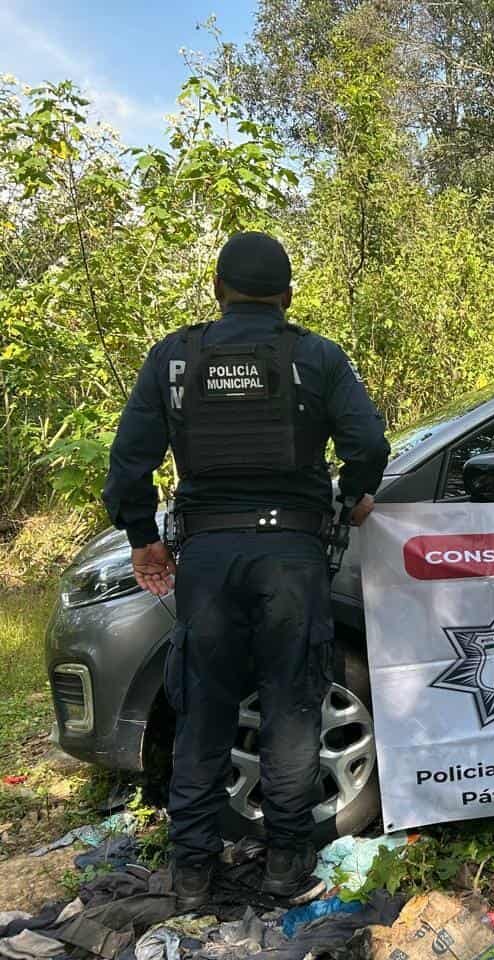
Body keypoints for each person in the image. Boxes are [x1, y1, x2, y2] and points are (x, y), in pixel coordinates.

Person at [102, 232, 391, 908]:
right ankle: (287, 870)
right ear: (287, 297)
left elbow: (128, 464)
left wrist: (143, 536)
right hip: (291, 559)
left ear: (216, 289)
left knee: (204, 710)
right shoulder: (314, 356)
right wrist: (354, 497)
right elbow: (368, 443)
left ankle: (194, 875)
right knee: (292, 710)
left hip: (206, 560)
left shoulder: (174, 358)